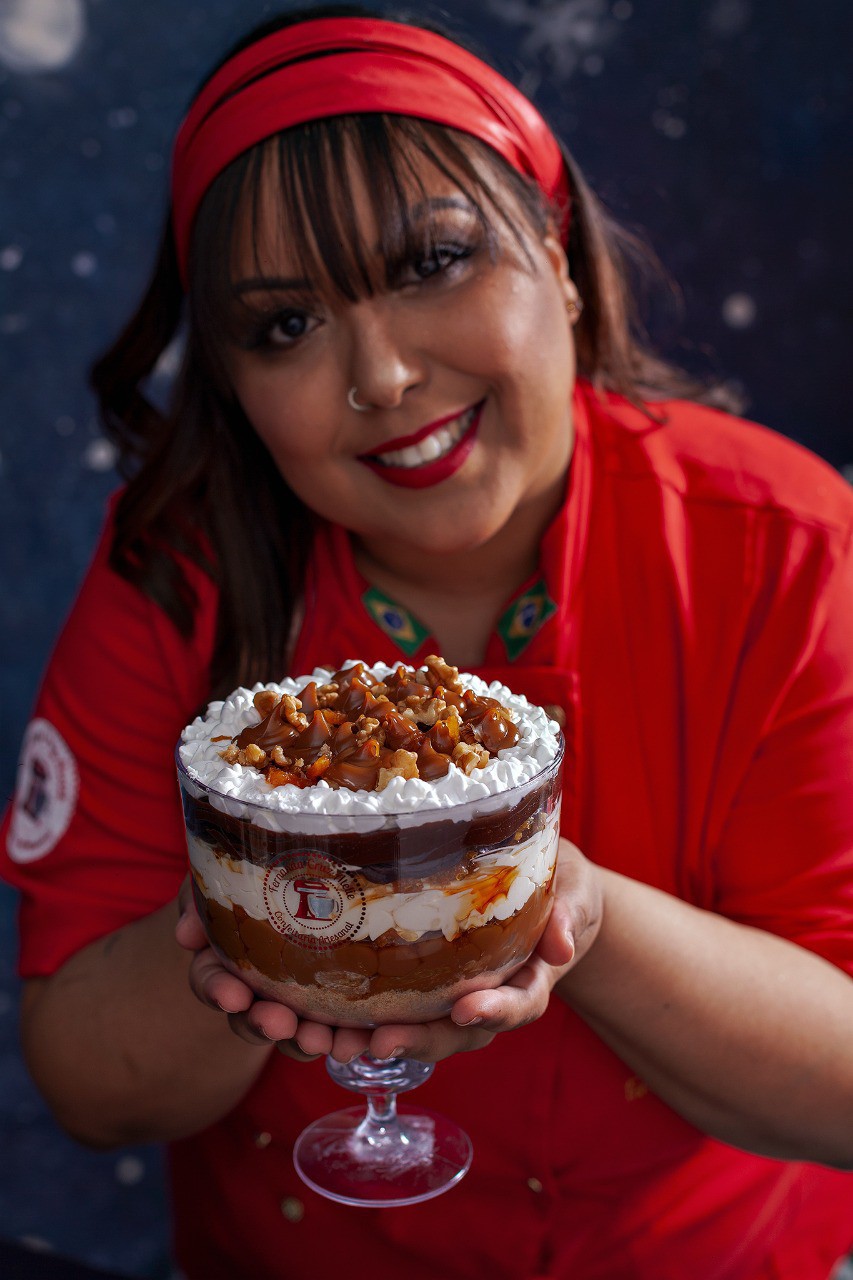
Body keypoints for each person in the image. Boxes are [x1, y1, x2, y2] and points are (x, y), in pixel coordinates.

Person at [3, 6, 853, 1278]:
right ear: (232, 385)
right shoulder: (175, 570)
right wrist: (253, 920)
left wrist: (567, 909)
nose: (384, 375)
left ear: (557, 254)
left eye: (434, 261)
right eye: (284, 327)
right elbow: (86, 1084)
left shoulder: (788, 546)